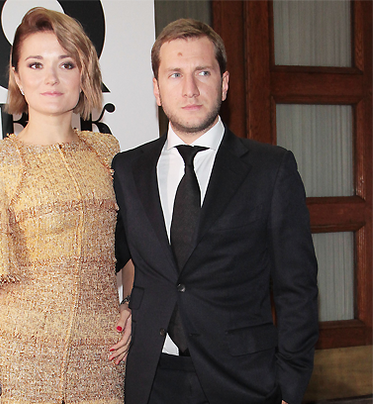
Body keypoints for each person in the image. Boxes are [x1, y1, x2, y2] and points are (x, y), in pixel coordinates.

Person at [112, 19, 318, 404]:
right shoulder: (128, 170)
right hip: (150, 380)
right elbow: (112, 257)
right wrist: (124, 306)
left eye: (203, 72)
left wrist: (289, 388)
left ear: (224, 83)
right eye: (175, 74)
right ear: (157, 89)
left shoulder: (270, 169)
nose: (189, 89)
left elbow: (297, 288)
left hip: (244, 381)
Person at [0, 8, 130, 404]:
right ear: (17, 77)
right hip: (17, 363)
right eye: (35, 64)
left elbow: (134, 248)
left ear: (84, 74)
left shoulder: (108, 153)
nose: (51, 78)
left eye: (66, 64)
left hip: (102, 364)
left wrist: (131, 306)